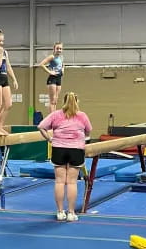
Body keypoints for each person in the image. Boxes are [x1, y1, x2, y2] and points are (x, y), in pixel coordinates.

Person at [38, 92, 92, 222]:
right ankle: (71, 213)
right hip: (76, 150)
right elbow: (89, 131)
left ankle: (60, 212)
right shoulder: (82, 116)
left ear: (64, 101)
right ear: (77, 102)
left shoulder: (56, 114)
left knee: (60, 181)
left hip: (59, 149)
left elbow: (40, 126)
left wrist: (49, 139)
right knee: (72, 182)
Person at [39, 42, 64, 112]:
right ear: (54, 49)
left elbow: (62, 65)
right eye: (57, 48)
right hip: (52, 79)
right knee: (52, 100)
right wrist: (50, 72)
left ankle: (54, 117)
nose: (59, 50)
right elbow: (41, 64)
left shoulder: (61, 57)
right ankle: (52, 119)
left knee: (55, 100)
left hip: (59, 78)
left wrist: (62, 70)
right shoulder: (52, 57)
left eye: (60, 49)